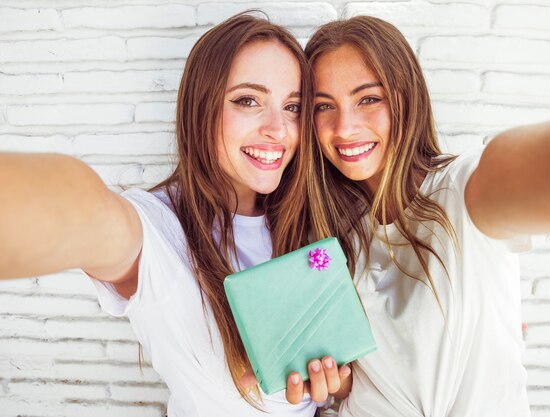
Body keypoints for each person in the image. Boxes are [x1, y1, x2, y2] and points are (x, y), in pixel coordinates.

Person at [0, 13, 349, 416]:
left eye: (293, 107)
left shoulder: (311, 220)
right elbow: (81, 212)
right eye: (248, 100)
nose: (279, 128)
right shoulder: (160, 228)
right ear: (201, 107)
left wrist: (337, 383)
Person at [292, 1, 550, 415]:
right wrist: (339, 387)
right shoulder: (327, 237)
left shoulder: (467, 187)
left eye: (368, 99)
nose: (344, 128)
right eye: (325, 106)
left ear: (406, 97)